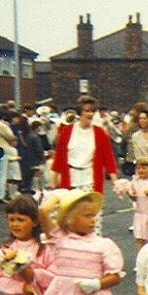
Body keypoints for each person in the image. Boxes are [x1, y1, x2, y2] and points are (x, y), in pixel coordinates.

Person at [51, 95, 119, 233]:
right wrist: (54, 180)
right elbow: (59, 156)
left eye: (92, 111)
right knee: (70, 218)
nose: (90, 114)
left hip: (91, 181)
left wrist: (114, 180)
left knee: (92, 218)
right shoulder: (67, 131)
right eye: (87, 110)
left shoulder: (100, 133)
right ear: (79, 112)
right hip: (70, 179)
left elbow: (108, 158)